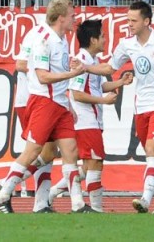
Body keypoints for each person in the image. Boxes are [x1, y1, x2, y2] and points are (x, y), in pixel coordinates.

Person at [0, 0, 94, 214]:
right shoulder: (43, 39)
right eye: (72, 15)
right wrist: (72, 74)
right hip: (44, 102)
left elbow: (55, 72)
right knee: (34, 151)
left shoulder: (62, 39)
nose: (75, 19)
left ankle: (77, 204)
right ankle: (3, 193)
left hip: (60, 103)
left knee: (70, 150)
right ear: (60, 18)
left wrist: (68, 101)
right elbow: (42, 76)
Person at [93, 1, 154, 214]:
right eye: (128, 20)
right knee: (151, 155)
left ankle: (146, 199)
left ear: (147, 21)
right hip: (141, 107)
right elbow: (110, 68)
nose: (129, 24)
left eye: (133, 20)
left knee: (152, 148)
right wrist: (84, 68)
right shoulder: (127, 44)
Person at [64, 19, 133, 212]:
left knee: (88, 166)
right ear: (93, 40)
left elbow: (98, 86)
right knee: (95, 162)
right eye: (102, 36)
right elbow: (76, 94)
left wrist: (120, 83)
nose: (105, 40)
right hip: (84, 120)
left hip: (92, 119)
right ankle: (96, 208)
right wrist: (103, 101)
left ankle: (53, 193)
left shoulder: (92, 62)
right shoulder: (81, 61)